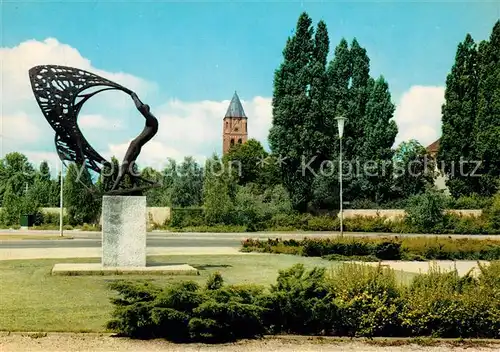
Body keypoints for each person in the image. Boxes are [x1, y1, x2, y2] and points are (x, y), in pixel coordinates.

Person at [110, 92, 159, 191]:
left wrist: (134, 97)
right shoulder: (152, 122)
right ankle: (135, 185)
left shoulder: (152, 120)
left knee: (124, 166)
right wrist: (135, 96)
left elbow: (140, 107)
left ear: (147, 111)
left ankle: (113, 189)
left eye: (144, 109)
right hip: (138, 147)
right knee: (130, 168)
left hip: (134, 145)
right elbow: (142, 106)